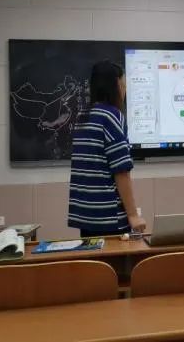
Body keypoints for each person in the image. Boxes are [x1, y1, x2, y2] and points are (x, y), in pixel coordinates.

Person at [68, 61, 146, 237]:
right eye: (124, 84)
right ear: (116, 85)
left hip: (85, 216)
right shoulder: (112, 116)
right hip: (109, 217)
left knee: (93, 255)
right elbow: (121, 170)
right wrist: (133, 215)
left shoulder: (82, 116)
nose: (125, 90)